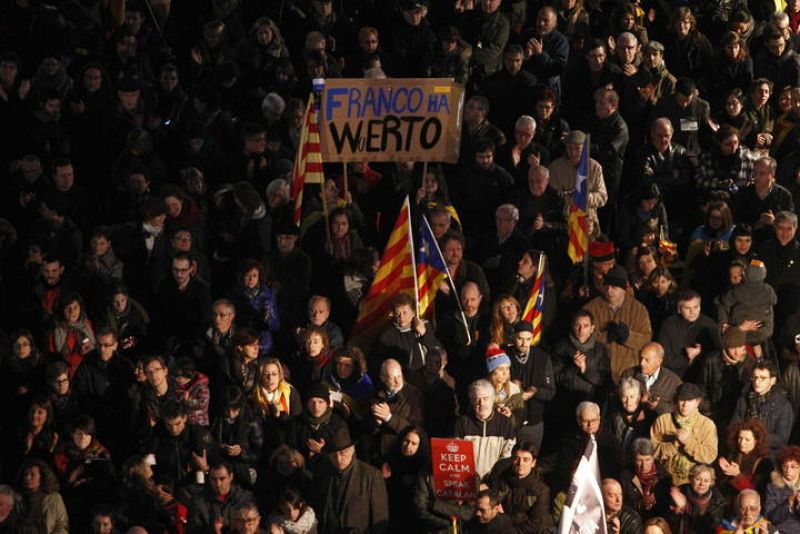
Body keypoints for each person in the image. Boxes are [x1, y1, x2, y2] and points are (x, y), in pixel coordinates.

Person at [583, 264, 653, 383]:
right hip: (598, 374)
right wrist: (605, 338)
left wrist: (628, 336)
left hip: (628, 374)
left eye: (614, 287)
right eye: (607, 286)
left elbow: (647, 340)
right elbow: (581, 335)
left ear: (624, 288)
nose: (609, 291)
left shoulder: (639, 310)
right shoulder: (591, 308)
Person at [311, 428, 389, 534]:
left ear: (352, 450)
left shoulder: (371, 476)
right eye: (334, 455)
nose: (338, 459)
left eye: (343, 453)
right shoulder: (322, 472)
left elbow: (380, 521)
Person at [651, 383, 718, 486]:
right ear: (676, 400)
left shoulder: (707, 425)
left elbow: (710, 456)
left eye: (690, 401)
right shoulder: (663, 421)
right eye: (682, 400)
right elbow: (651, 453)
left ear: (697, 402)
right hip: (665, 480)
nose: (685, 405)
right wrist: (673, 445)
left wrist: (688, 443)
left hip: (694, 484)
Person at [485, 441, 553, 533]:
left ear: (533, 463)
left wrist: (507, 521)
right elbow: (492, 511)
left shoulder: (541, 490)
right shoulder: (501, 481)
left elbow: (537, 523)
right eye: (517, 458)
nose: (520, 463)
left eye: (526, 459)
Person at [455, 379, 516, 479]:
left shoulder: (505, 423)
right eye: (476, 399)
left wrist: (491, 480)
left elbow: (508, 455)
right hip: (467, 481)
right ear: (471, 401)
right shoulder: (462, 423)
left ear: (493, 399)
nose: (481, 403)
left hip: (495, 482)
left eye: (485, 398)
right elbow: (456, 456)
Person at [731, 362, 794, 457]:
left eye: (763, 378)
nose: (757, 382)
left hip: (769, 457)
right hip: (743, 454)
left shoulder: (783, 405)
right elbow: (733, 428)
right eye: (755, 377)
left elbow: (781, 439)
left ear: (772, 380)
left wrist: (756, 436)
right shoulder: (743, 400)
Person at [187, 462, 254, 532]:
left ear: (231, 477)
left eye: (222, 479)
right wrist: (213, 529)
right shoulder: (198, 501)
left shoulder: (245, 498)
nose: (218, 484)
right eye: (213, 479)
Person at [620, 342, 682, 416]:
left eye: (647, 360)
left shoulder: (674, 382)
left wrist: (658, 406)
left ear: (659, 361)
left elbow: (679, 409)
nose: (642, 363)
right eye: (641, 358)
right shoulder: (629, 374)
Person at [718, 418, 773, 502]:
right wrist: (723, 472)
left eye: (747, 440)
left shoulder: (764, 463)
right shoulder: (732, 455)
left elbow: (757, 494)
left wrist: (738, 475)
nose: (742, 443)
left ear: (756, 441)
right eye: (740, 438)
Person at [619, 438, 671, 521]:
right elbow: (621, 504)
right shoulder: (625, 477)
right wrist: (640, 504)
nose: (644, 465)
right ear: (633, 459)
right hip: (633, 522)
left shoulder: (664, 478)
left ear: (653, 458)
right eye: (639, 460)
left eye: (647, 460)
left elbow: (666, 508)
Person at [666, 463, 728, 533]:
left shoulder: (718, 501)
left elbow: (707, 527)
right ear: (691, 479)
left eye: (706, 480)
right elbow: (668, 521)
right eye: (698, 479)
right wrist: (676, 511)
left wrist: (685, 506)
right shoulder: (680, 491)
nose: (702, 484)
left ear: (711, 482)